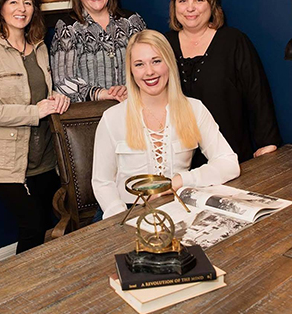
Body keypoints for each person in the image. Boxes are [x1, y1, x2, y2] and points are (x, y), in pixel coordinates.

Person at [0, 0, 70, 253]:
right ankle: (23, 293)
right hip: (7, 162)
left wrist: (57, 98)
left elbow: (43, 93)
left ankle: (44, 287)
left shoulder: (40, 47)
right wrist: (33, 112)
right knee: (32, 227)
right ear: (0, 8)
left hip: (46, 158)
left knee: (46, 225)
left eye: (27, 2)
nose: (21, 8)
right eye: (13, 1)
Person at [92, 29, 240, 219]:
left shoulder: (194, 109)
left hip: (177, 208)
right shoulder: (112, 118)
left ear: (169, 63)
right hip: (125, 212)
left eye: (156, 61)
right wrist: (123, 218)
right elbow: (102, 182)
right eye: (139, 64)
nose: (149, 72)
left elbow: (229, 163)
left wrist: (179, 181)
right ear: (131, 70)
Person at [165, 0, 281, 166]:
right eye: (182, 0)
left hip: (230, 159)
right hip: (178, 164)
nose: (190, 8)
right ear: (174, 6)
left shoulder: (233, 41)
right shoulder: (163, 45)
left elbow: (257, 94)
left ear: (212, 4)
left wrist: (268, 143)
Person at [50, 0, 146, 103]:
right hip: (92, 113)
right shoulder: (68, 28)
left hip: (133, 105)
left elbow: (150, 65)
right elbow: (64, 82)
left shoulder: (131, 21)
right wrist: (103, 94)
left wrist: (129, 90)